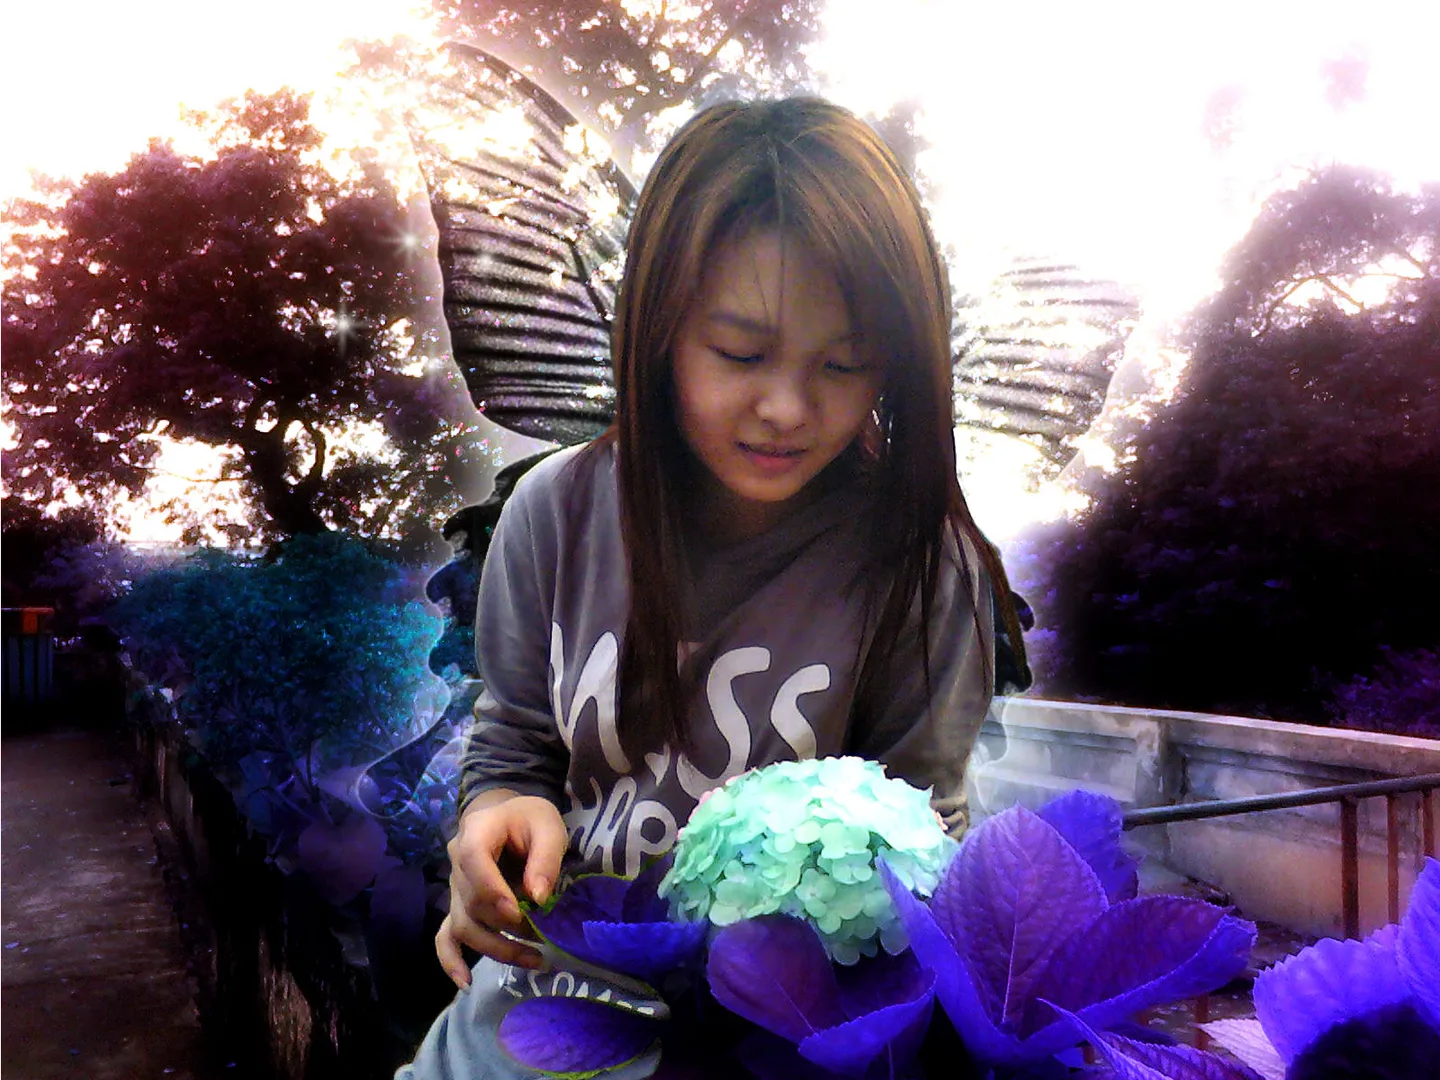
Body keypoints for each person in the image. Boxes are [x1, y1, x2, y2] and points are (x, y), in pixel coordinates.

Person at [397, 96, 1027, 1079]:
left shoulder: (920, 564)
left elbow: (924, 839)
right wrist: (494, 824)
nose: (787, 407)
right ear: (659, 329)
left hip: (779, 1042)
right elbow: (514, 746)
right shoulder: (555, 514)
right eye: (739, 352)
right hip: (547, 1016)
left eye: (845, 363)